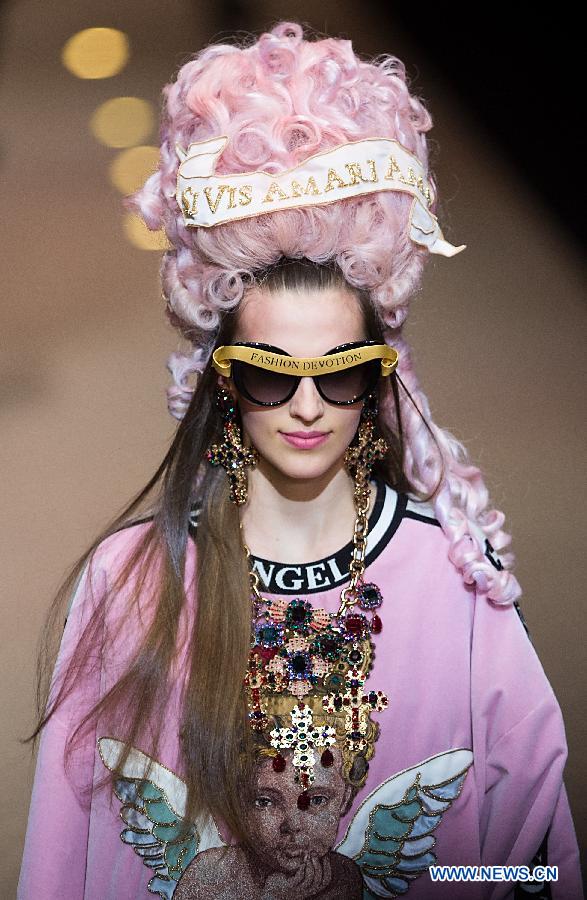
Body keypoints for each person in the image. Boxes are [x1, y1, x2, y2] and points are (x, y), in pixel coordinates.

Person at [17, 20, 582, 900]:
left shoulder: (452, 579)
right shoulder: (129, 582)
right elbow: (65, 860)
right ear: (222, 381)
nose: (308, 405)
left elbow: (532, 862)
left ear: (381, 375)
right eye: (270, 375)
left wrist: (438, 879)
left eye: (343, 372)